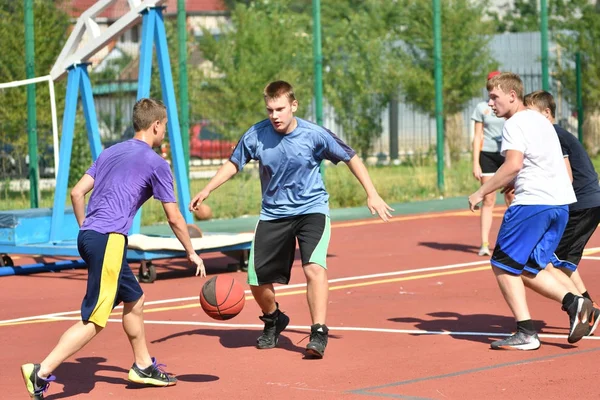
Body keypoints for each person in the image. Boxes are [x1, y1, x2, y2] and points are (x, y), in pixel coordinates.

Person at [189, 80, 393, 359]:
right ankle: (274, 319)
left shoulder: (314, 135)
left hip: (312, 210)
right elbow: (233, 163)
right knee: (256, 279)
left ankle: (318, 332)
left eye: (281, 109)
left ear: (293, 106)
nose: (275, 115)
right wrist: (207, 189)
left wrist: (372, 194)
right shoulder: (256, 135)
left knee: (314, 268)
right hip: (274, 213)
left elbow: (351, 157)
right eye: (270, 109)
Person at [21, 98, 205, 399]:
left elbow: (77, 192)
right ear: (157, 125)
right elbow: (173, 216)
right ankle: (39, 373)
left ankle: (143, 365)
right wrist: (190, 251)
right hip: (109, 239)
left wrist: (86, 230)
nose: (164, 133)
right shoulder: (157, 163)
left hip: (91, 236)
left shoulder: (110, 152)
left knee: (135, 299)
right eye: (165, 128)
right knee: (95, 318)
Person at [467, 72, 593, 350]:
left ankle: (526, 333)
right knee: (528, 267)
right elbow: (541, 162)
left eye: (494, 97)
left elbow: (513, 164)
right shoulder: (540, 120)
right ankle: (577, 302)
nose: (491, 104)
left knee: (502, 265)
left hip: (533, 203)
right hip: (559, 204)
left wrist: (481, 191)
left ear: (512, 95)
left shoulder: (514, 124)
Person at [524, 90, 600, 323]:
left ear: (547, 113)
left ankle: (584, 310)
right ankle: (587, 307)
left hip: (581, 205)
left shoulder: (551, 134)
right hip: (586, 204)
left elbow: (566, 177)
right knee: (560, 261)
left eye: (530, 114)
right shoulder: (555, 133)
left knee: (542, 263)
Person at [471, 70, 514, 256]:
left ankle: (513, 240)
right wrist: (475, 162)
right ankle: (484, 243)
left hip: (507, 154)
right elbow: (477, 136)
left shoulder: (510, 107)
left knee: (511, 198)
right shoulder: (483, 108)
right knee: (488, 198)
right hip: (487, 155)